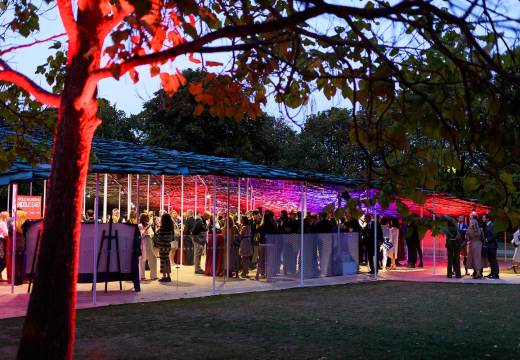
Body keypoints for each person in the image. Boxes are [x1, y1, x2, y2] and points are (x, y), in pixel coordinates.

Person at [255, 210, 277, 280]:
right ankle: (268, 277)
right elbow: (275, 234)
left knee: (261, 260)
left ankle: (257, 276)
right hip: (270, 244)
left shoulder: (262, 226)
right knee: (269, 260)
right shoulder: (273, 225)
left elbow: (256, 231)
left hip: (262, 244)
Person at [8, 210, 27, 285]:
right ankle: (19, 280)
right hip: (21, 246)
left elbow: (9, 235)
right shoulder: (24, 225)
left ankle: (16, 280)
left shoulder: (12, 225)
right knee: (20, 263)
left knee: (15, 263)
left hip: (14, 246)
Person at [138, 212, 157, 280]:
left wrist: (149, 233)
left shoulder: (148, 225)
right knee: (142, 260)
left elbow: (152, 234)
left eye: (148, 218)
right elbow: (141, 234)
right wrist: (146, 229)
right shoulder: (140, 225)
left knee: (153, 258)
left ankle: (153, 275)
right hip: (142, 244)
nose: (148, 219)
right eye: (147, 217)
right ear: (143, 218)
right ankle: (142, 276)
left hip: (149, 243)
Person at [155, 213, 174, 282]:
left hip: (162, 246)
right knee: (167, 260)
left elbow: (159, 237)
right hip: (168, 246)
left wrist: (157, 230)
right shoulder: (171, 228)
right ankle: (168, 276)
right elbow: (172, 238)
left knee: (163, 261)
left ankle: (164, 276)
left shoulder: (162, 228)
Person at [482, 214, 499, 279]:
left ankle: (496, 274)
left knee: (493, 260)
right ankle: (492, 273)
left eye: (484, 218)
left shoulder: (492, 225)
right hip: (489, 246)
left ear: (487, 219)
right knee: (490, 260)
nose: (483, 219)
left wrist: (487, 239)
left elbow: (494, 235)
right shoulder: (487, 225)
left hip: (492, 246)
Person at [0, 211, 8, 281]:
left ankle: (0, 277)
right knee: (3, 259)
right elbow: (6, 233)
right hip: (2, 241)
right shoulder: (2, 223)